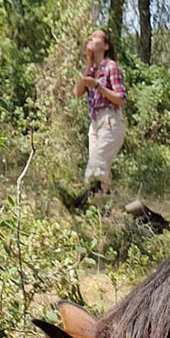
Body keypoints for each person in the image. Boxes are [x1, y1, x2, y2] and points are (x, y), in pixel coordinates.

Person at [69, 28, 127, 205]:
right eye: (91, 36)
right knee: (99, 169)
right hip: (94, 125)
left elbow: (121, 99)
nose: (91, 38)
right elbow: (77, 92)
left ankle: (85, 206)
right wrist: (88, 66)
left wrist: (99, 86)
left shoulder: (111, 67)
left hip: (110, 122)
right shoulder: (92, 69)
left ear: (106, 46)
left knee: (96, 169)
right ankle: (103, 208)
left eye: (96, 37)